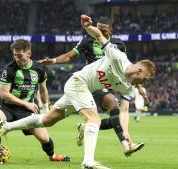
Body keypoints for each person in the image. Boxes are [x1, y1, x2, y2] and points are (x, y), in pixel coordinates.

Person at [0, 15, 156, 169]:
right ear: (139, 70)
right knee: (94, 118)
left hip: (85, 89)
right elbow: (99, 35)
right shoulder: (118, 57)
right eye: (144, 79)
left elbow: (124, 110)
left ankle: (6, 127)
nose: (143, 82)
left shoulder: (128, 85)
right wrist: (88, 26)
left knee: (47, 120)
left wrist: (125, 130)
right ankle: (88, 161)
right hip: (78, 83)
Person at [37, 16, 147, 156]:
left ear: (111, 30)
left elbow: (128, 69)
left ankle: (86, 127)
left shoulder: (118, 44)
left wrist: (139, 87)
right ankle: (126, 145)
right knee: (114, 106)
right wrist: (52, 61)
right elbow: (69, 56)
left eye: (104, 30)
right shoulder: (87, 40)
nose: (100, 32)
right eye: (98, 29)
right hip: (90, 82)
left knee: (50, 119)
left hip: (107, 82)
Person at [0, 39, 70, 164]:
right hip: (8, 107)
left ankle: (52, 156)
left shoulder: (39, 70)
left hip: (26, 111)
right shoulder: (9, 69)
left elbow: (43, 90)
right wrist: (26, 103)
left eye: (19, 55)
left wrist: (46, 108)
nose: (16, 58)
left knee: (44, 138)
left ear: (29, 54)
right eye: (14, 55)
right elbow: (4, 94)